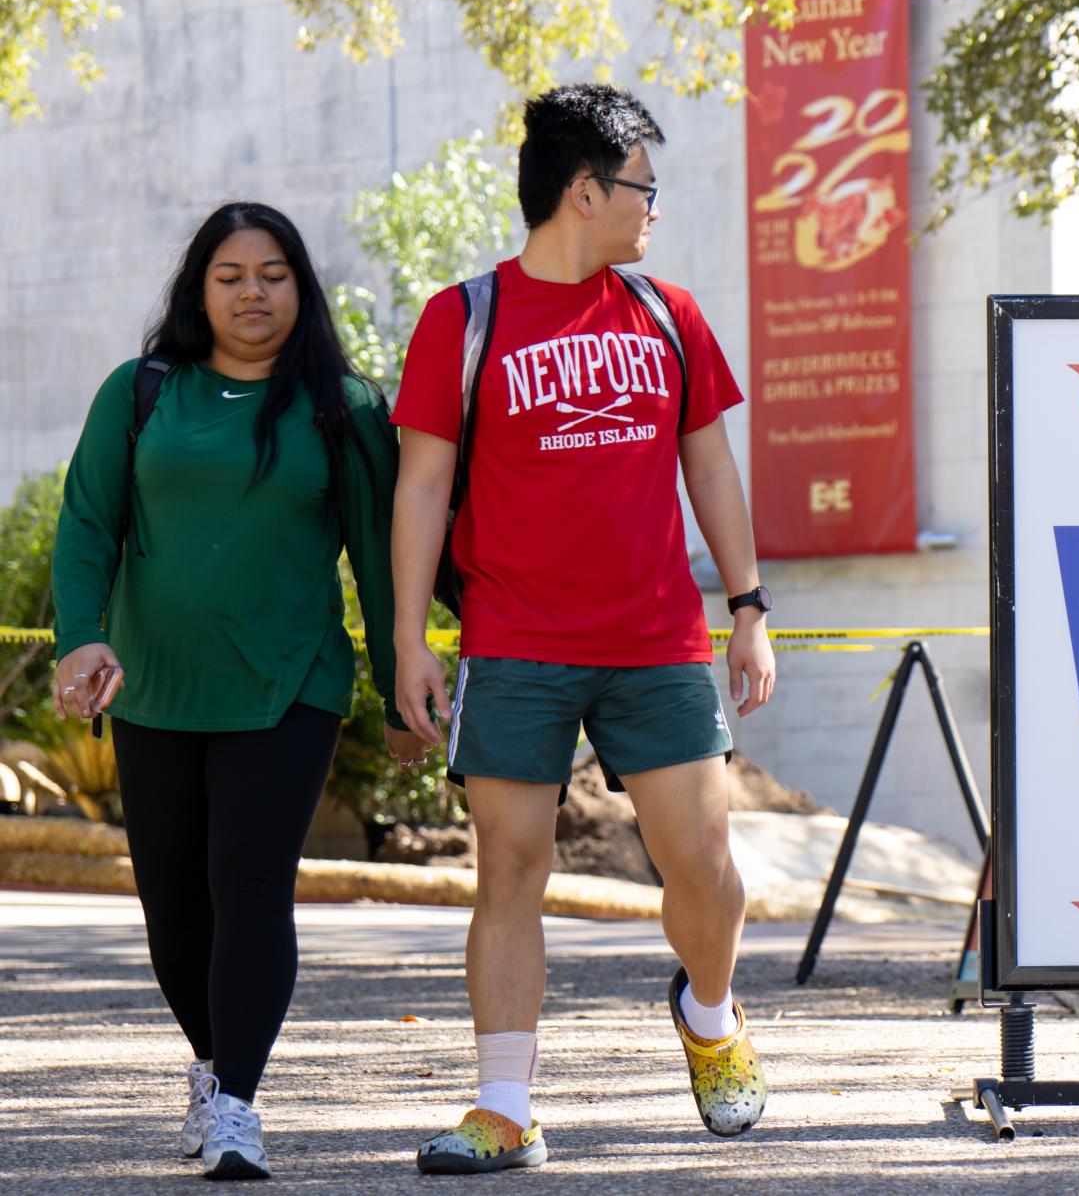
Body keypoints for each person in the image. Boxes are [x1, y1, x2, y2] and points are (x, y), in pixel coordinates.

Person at [391, 83, 776, 1175]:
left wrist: (748, 607)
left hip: (656, 638)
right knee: (509, 868)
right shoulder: (463, 318)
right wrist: (413, 638)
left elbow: (711, 467)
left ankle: (708, 1011)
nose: (654, 205)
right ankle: (504, 1105)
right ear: (583, 191)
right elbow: (421, 487)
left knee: (704, 865)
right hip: (513, 636)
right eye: (642, 186)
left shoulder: (668, 314)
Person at [50, 202, 427, 1180]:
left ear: (301, 287)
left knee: (251, 886)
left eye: (273, 274)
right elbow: (87, 523)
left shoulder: (342, 406)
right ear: (199, 290)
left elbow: (381, 556)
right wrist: (81, 637)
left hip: (288, 684)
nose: (252, 292)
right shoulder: (140, 392)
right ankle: (216, 1065)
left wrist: (401, 692)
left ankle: (237, 1106)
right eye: (230, 276)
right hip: (153, 685)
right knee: (173, 908)